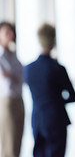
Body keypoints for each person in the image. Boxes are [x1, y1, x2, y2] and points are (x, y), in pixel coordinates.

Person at [24, 23, 75, 157]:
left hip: (37, 119)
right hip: (56, 119)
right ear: (53, 41)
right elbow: (72, 96)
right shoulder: (58, 68)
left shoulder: (28, 69)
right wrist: (56, 100)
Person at [0, 21, 24, 157]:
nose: (10, 35)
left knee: (17, 142)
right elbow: (6, 79)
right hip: (7, 102)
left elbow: (21, 77)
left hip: (18, 99)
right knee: (8, 145)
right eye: (6, 32)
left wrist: (13, 76)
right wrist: (14, 77)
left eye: (11, 32)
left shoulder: (13, 54)